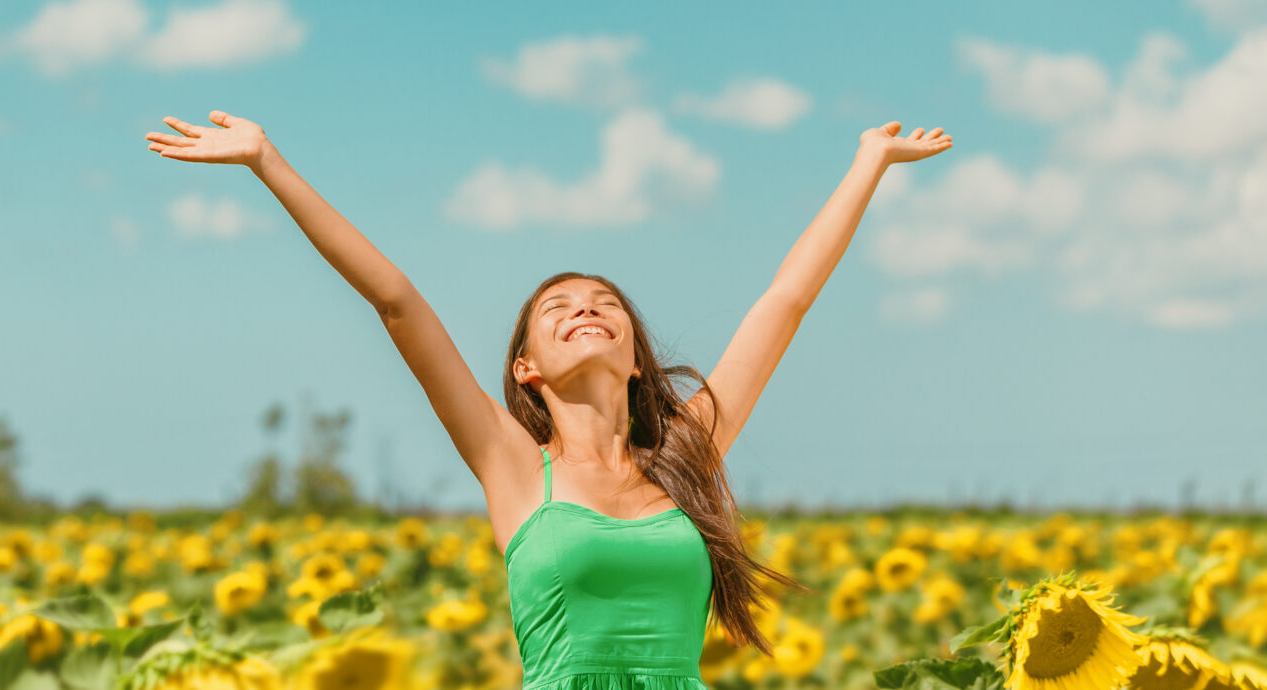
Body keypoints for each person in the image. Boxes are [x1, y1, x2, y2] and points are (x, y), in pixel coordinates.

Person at [144, 110, 951, 687]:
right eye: (558, 308)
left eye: (605, 304)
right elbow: (397, 302)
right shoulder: (515, 469)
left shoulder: (686, 455)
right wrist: (268, 162)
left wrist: (868, 163)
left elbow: (785, 303)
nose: (586, 310)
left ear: (635, 359)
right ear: (526, 367)